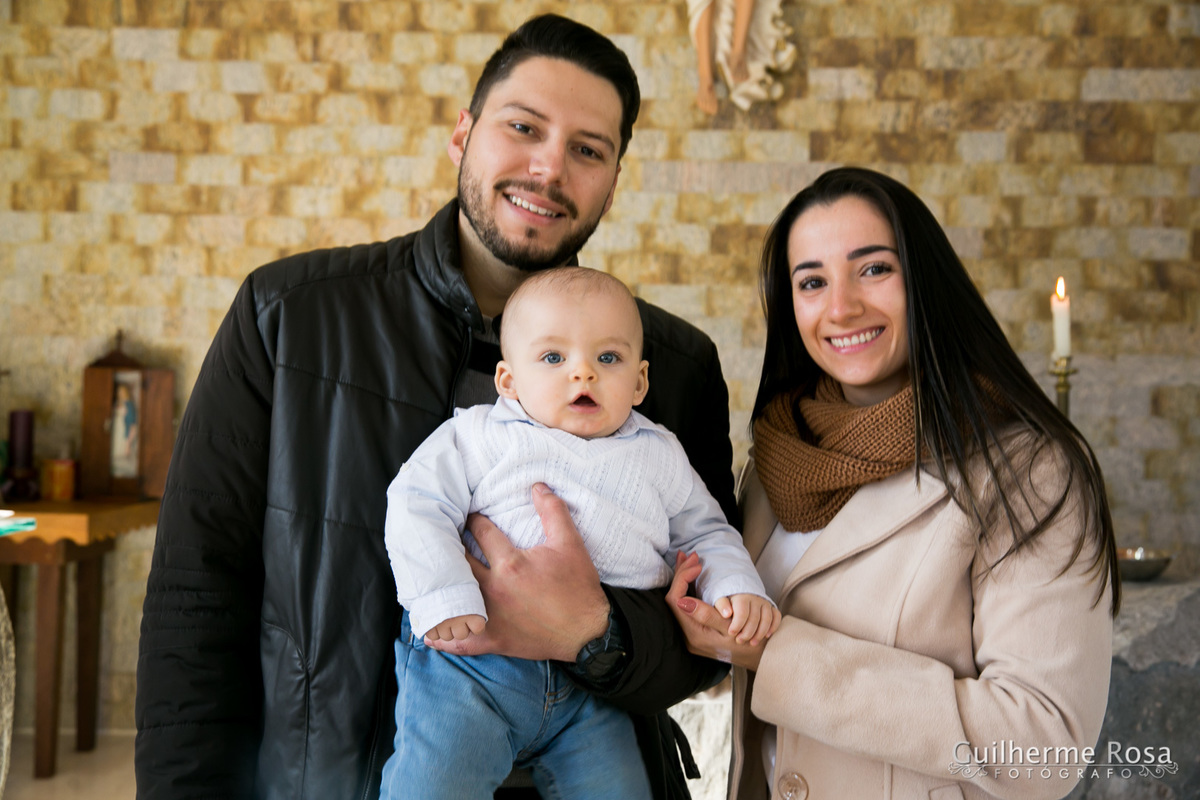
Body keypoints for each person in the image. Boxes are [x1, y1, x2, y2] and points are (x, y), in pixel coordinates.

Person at [136, 15, 735, 800]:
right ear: (463, 135)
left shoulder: (675, 366)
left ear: (613, 179)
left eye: (588, 150)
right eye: (523, 127)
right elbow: (198, 593)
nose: (549, 167)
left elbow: (708, 634)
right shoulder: (287, 318)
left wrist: (600, 633)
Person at [666, 166, 1120, 800]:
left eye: (874, 269)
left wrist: (778, 656)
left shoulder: (1027, 470)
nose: (842, 306)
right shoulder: (777, 457)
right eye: (812, 282)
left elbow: (1041, 745)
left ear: (924, 281)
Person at [381, 268, 779, 799]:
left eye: (607, 358)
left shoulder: (659, 455)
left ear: (639, 382)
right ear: (508, 381)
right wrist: (443, 595)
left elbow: (706, 531)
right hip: (472, 665)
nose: (582, 374)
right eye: (553, 358)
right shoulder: (478, 436)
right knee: (431, 787)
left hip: (595, 684)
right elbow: (415, 504)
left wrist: (736, 589)